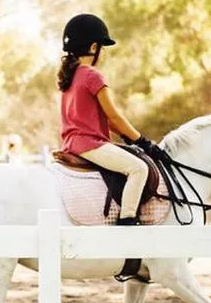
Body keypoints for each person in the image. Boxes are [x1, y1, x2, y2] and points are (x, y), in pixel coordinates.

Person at [58, 13, 165, 226]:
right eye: (103, 48)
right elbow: (114, 115)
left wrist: (129, 137)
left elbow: (110, 123)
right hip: (90, 144)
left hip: (72, 143)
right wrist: (143, 141)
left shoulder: (70, 77)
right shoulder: (92, 76)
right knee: (138, 168)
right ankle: (127, 220)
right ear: (93, 47)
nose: (103, 53)